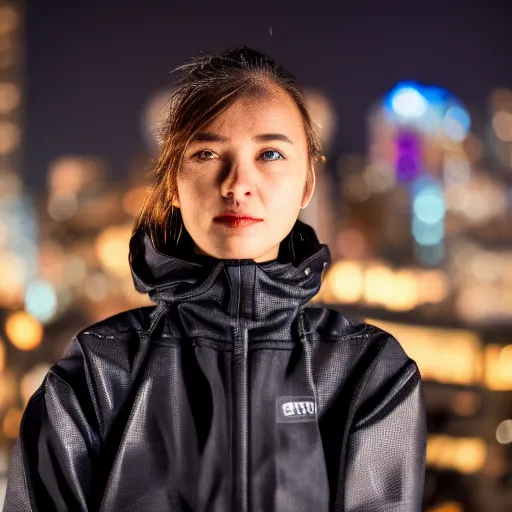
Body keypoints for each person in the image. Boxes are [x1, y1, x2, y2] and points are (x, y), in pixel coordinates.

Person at [3, 45, 426, 512]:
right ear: (172, 185)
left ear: (308, 182)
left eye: (269, 153)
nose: (236, 183)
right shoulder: (97, 373)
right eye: (206, 152)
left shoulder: (367, 372)